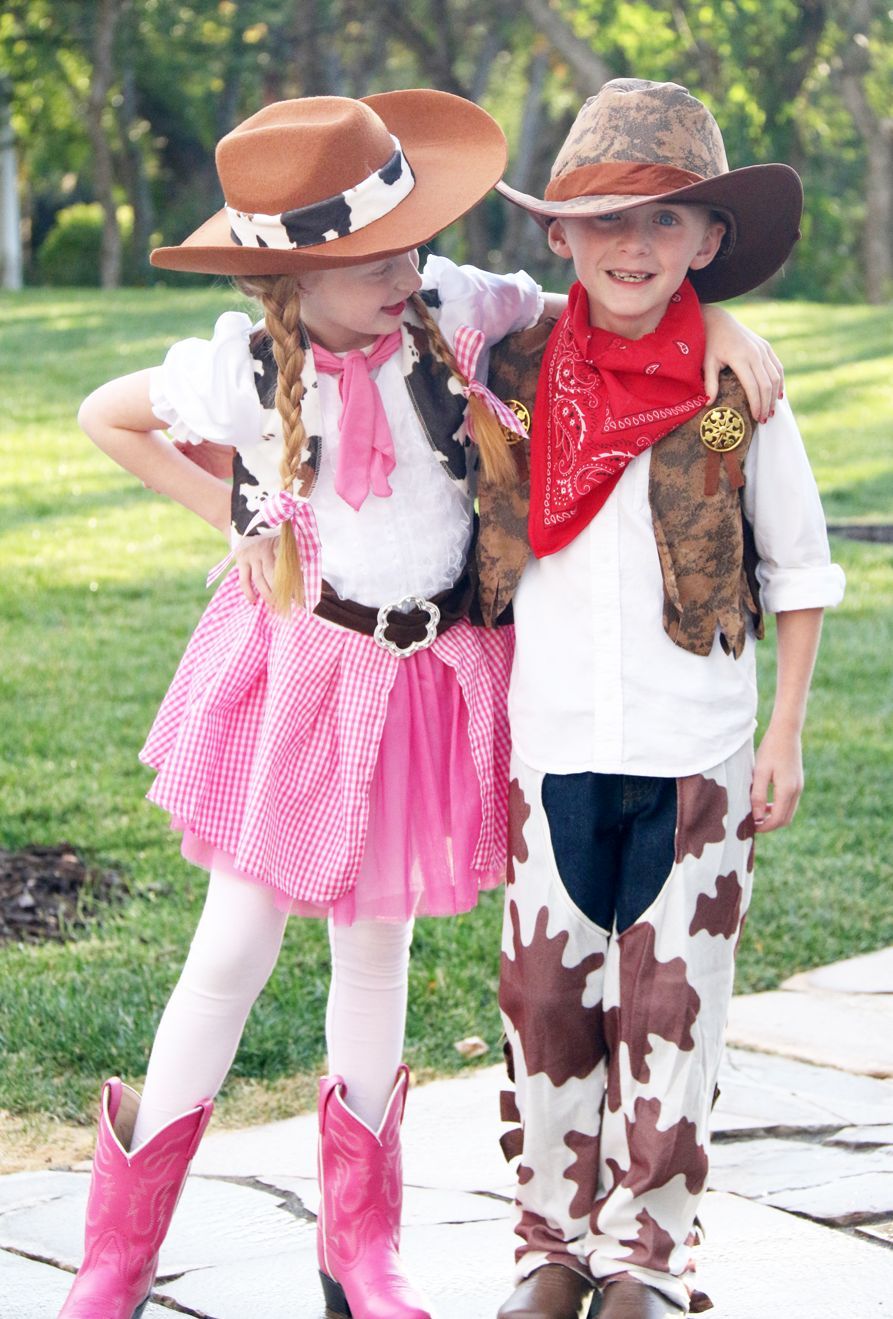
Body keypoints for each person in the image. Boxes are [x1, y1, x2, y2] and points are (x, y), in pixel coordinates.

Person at [63, 88, 782, 1319]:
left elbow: (597, 304)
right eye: (371, 256)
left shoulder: (454, 308)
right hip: (305, 671)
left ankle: (361, 1250)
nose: (409, 263)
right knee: (235, 944)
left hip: (421, 682)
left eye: (411, 235)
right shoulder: (242, 369)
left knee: (374, 949)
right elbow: (107, 414)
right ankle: (115, 1257)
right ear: (292, 281)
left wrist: (722, 334)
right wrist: (250, 521)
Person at [474, 80, 846, 1319]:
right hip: (557, 739)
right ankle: (550, 1241)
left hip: (694, 746)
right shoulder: (515, 371)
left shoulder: (736, 395)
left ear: (705, 242)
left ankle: (648, 1252)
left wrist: (783, 728)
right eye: (602, 222)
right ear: (556, 237)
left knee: (671, 1007)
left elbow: (795, 565)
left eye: (663, 221)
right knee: (543, 1001)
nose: (632, 247)